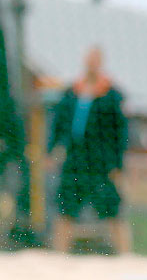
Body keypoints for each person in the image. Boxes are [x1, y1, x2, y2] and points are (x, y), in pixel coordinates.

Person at [49, 46, 131, 254]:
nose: (92, 62)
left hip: (101, 160)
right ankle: (59, 253)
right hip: (75, 158)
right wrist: (52, 149)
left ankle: (125, 254)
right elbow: (58, 123)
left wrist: (118, 164)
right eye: (89, 58)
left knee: (112, 208)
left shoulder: (112, 95)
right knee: (66, 206)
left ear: (101, 62)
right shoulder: (72, 92)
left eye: (96, 59)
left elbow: (120, 132)